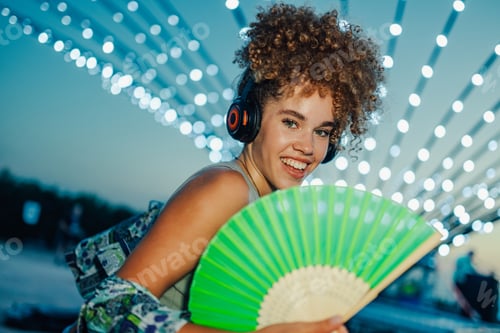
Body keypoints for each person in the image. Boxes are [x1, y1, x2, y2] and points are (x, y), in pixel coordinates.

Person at [71, 3, 384, 333]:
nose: (308, 147)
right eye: (291, 122)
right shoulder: (226, 190)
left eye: (322, 131)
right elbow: (106, 309)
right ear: (247, 119)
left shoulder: (273, 212)